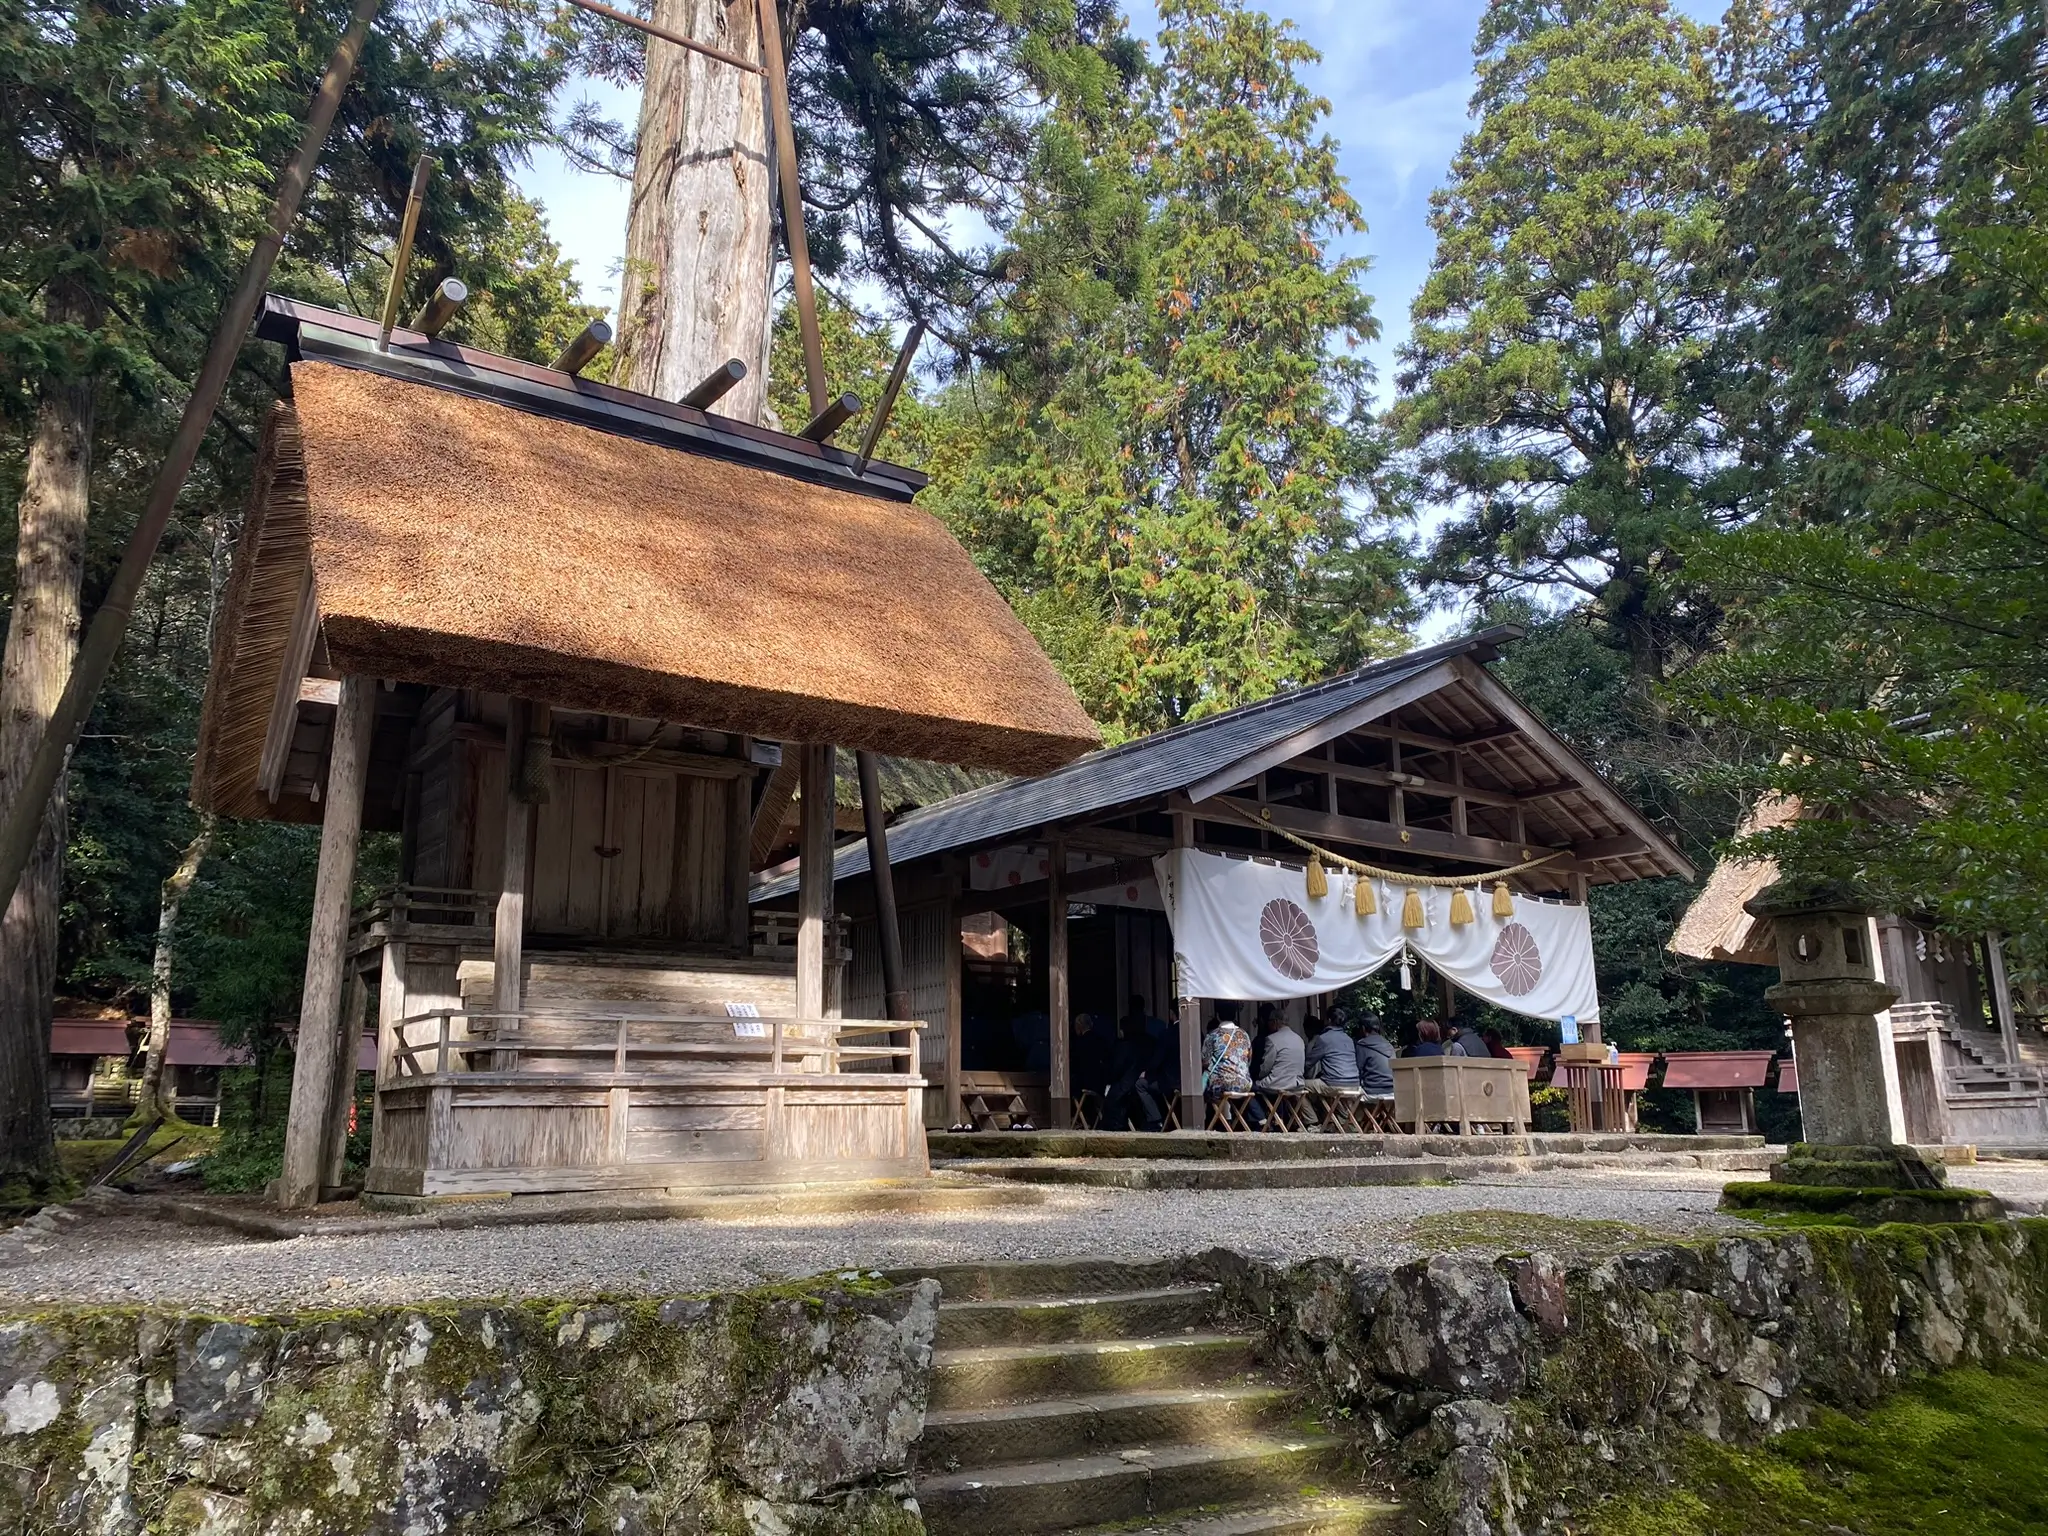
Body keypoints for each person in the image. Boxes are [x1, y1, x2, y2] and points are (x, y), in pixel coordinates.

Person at [1202, 1002, 1253, 1099]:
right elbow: (1248, 1060)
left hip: (1221, 1084)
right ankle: (1226, 1113)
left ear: (1217, 1015)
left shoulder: (1213, 1035)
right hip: (1244, 1084)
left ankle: (1214, 1113)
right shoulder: (1244, 1035)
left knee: (1206, 1084)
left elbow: (1205, 1062)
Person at [1304, 1011, 1360, 1087]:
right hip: (1354, 1083)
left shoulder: (1323, 1038)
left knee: (1302, 1085)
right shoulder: (1349, 1039)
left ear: (1329, 1020)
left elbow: (1309, 1063)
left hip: (1334, 1083)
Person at [1354, 1013, 1396, 1099]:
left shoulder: (1362, 1045)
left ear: (1363, 1028)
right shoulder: (1389, 1045)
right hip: (1393, 1091)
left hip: (1372, 1091)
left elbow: (1357, 1071)